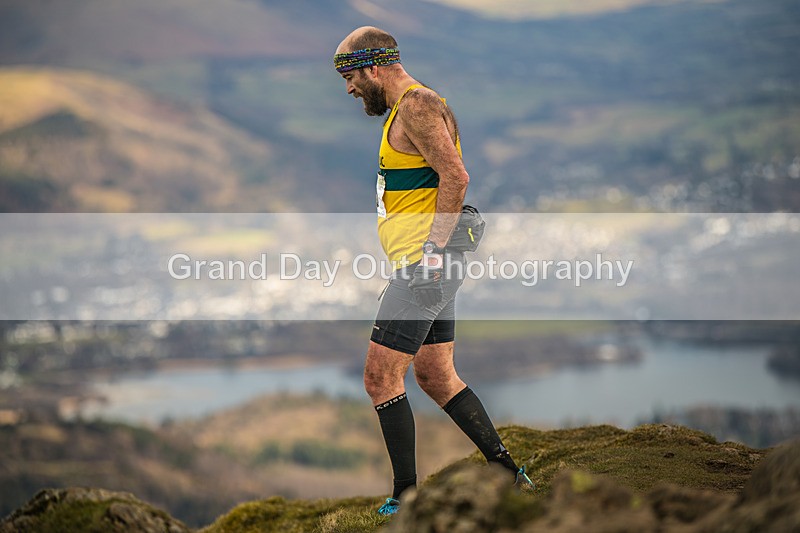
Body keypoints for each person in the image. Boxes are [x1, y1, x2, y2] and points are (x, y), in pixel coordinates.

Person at [333, 26, 533, 516]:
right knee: (436, 374)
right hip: (428, 262)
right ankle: (508, 473)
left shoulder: (417, 106)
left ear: (373, 67)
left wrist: (433, 253)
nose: (349, 89)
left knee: (380, 378)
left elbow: (457, 177)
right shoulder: (408, 107)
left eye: (351, 77)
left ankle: (405, 497)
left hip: (426, 265)